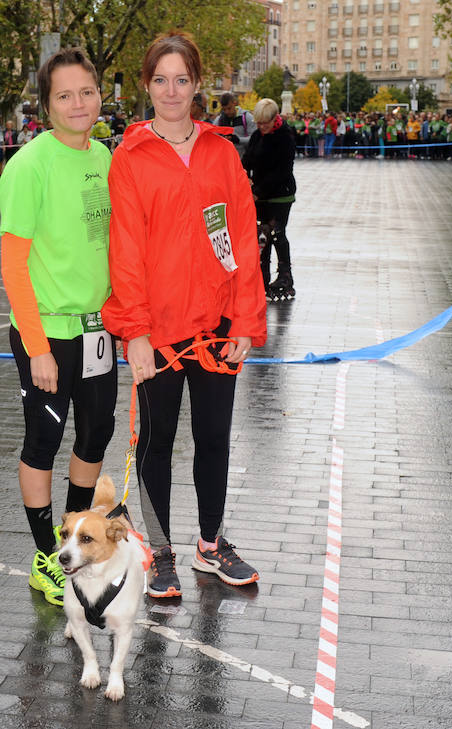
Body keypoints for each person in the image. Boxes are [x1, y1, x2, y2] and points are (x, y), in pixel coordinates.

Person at [102, 31, 265, 599]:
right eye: (161, 79)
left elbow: (242, 239)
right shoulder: (130, 159)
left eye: (183, 79)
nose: (172, 90)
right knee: (158, 441)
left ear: (197, 84)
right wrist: (137, 332)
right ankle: (162, 550)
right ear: (147, 85)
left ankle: (211, 544)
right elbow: (124, 253)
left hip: (218, 326)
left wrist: (246, 320)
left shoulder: (222, 152)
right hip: (159, 333)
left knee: (215, 438)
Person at [0, 47, 116, 607]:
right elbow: (13, 265)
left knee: (95, 436)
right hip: (47, 333)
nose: (78, 103)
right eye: (64, 94)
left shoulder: (107, 159)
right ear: (46, 104)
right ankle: (46, 557)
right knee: (43, 441)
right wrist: (37, 346)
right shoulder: (29, 164)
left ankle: (77, 539)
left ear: (100, 95)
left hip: (99, 331)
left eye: (86, 92)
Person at [242, 98, 297, 302]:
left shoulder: (285, 137)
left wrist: (259, 190)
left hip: (281, 194)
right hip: (260, 195)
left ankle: (285, 276)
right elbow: (247, 160)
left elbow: (282, 172)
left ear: (275, 118)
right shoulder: (258, 136)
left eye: (265, 122)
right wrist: (244, 174)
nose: (262, 127)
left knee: (276, 233)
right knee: (260, 236)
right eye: (258, 123)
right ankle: (261, 277)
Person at [213, 92, 254, 157]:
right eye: (224, 109)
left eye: (229, 108)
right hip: (225, 161)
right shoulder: (218, 121)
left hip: (243, 162)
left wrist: (238, 140)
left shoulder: (247, 117)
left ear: (234, 103)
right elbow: (213, 142)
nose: (227, 112)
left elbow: (254, 139)